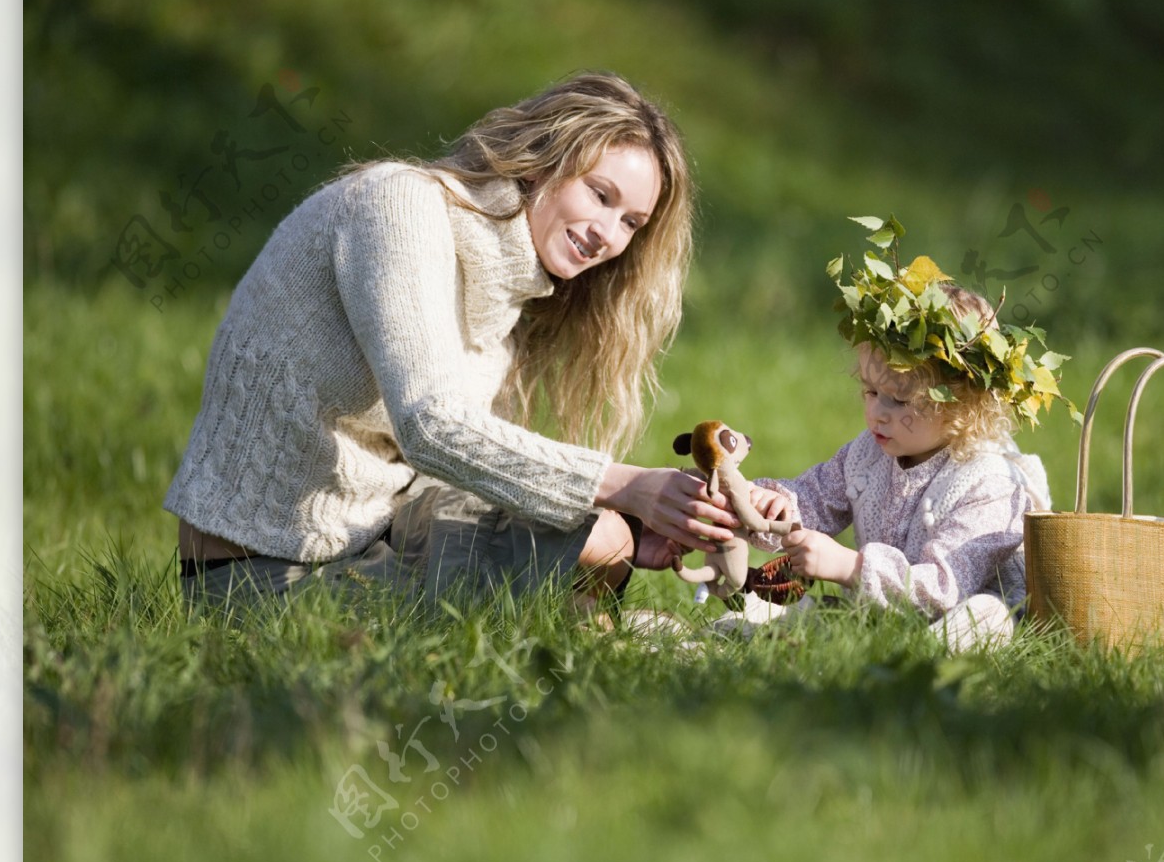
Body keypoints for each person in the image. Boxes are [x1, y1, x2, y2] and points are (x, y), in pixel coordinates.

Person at [165, 71, 739, 612]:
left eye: (632, 223)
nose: (607, 235)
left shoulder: (507, 287)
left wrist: (638, 522)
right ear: (543, 162)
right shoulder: (399, 204)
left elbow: (453, 471)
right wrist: (624, 486)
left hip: (372, 539)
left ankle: (608, 642)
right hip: (259, 576)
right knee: (593, 545)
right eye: (600, 194)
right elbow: (431, 426)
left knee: (602, 544)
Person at [746, 273, 1055, 649]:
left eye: (901, 400)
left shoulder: (988, 482)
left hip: (959, 610)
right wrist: (775, 507)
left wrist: (851, 568)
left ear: (963, 404)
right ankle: (804, 633)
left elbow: (946, 586)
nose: (877, 412)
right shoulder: (868, 454)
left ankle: (921, 661)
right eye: (870, 391)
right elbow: (814, 497)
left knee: (985, 617)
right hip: (881, 609)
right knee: (780, 606)